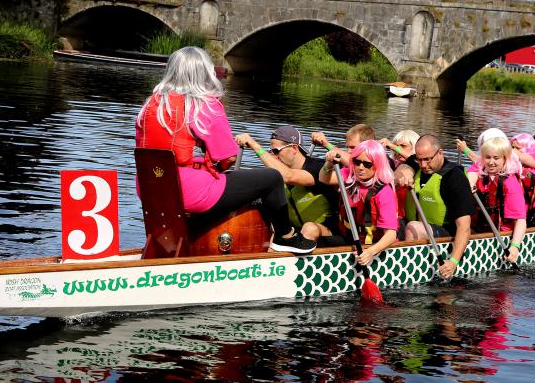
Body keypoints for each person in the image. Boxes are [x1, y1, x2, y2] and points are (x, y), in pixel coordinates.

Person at [135, 46, 316, 254]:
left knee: (221, 182)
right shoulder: (204, 104)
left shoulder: (150, 104)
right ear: (204, 72)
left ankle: (187, 241)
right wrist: (213, 167)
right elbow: (228, 157)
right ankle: (286, 236)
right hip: (188, 192)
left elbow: (159, 152)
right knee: (272, 178)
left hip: (151, 189)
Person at [235, 125, 341, 245]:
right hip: (295, 234)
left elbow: (289, 176)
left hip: (327, 235)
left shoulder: (318, 167)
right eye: (271, 151)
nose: (273, 156)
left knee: (309, 228)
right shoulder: (279, 172)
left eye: (276, 151)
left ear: (294, 148)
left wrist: (254, 145)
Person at [395, 135, 476, 279]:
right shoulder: (417, 162)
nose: (423, 165)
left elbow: (464, 227)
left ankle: (406, 272)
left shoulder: (455, 177)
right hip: (419, 226)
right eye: (419, 160)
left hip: (447, 232)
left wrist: (453, 261)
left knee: (414, 227)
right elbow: (401, 169)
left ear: (440, 153)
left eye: (427, 159)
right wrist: (403, 173)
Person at [319, 140, 398, 266]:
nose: (360, 167)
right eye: (357, 162)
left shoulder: (384, 192)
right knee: (319, 242)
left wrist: (371, 252)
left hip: (373, 244)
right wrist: (328, 163)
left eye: (367, 164)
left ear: (377, 164)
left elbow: (391, 235)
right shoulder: (349, 175)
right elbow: (323, 178)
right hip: (349, 238)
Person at [472, 137, 526, 263]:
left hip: (502, 233)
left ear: (505, 159)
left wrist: (514, 247)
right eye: (487, 157)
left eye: (496, 158)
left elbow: (520, 219)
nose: (491, 162)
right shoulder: (480, 175)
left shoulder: (509, 183)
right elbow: (472, 171)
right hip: (480, 228)